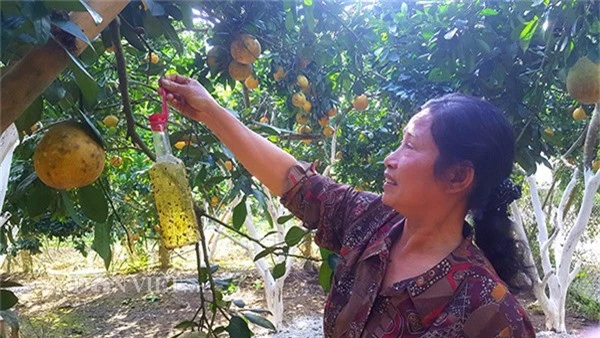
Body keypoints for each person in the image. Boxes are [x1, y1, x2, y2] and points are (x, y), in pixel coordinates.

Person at [159, 74, 536, 338]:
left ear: (458, 177)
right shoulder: (372, 222)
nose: (390, 159)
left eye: (409, 146)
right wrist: (209, 111)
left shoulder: (490, 314)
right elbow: (296, 181)